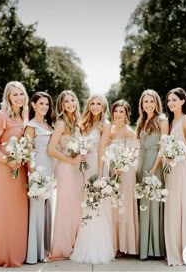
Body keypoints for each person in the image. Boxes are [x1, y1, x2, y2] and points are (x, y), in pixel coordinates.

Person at [0, 81, 29, 267]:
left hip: (22, 170)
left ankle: (20, 252)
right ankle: (4, 255)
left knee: (19, 212)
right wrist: (7, 161)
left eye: (21, 94)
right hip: (5, 170)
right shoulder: (2, 115)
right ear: (8, 97)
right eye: (14, 94)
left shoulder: (25, 115)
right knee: (7, 211)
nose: (19, 97)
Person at [70, 94, 115, 264]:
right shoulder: (84, 124)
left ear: (103, 107)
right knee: (83, 203)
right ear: (88, 105)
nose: (95, 106)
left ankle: (96, 247)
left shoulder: (106, 124)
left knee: (95, 205)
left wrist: (101, 175)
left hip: (96, 166)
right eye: (93, 103)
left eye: (99, 104)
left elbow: (102, 150)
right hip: (81, 166)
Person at [47, 90, 84, 260]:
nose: (70, 104)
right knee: (65, 206)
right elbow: (51, 149)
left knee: (77, 207)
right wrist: (70, 160)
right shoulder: (61, 123)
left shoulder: (77, 122)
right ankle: (62, 248)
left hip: (76, 169)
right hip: (66, 168)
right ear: (61, 105)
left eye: (72, 100)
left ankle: (75, 243)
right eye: (66, 101)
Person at [164, 87, 186, 266]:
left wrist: (178, 153)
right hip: (170, 168)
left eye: (174, 100)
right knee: (173, 207)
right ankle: (173, 249)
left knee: (184, 205)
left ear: (183, 102)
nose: (170, 103)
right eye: (169, 100)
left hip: (183, 167)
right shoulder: (170, 121)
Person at [136, 89, 168, 260]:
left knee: (153, 203)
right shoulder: (142, 120)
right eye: (145, 102)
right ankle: (143, 247)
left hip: (154, 163)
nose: (148, 105)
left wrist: (154, 168)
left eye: (151, 101)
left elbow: (163, 145)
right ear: (142, 104)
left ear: (157, 103)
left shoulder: (162, 120)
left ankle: (155, 248)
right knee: (142, 203)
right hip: (141, 163)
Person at [24, 92, 55, 263]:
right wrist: (33, 173)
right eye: (41, 103)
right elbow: (28, 152)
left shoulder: (47, 124)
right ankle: (34, 254)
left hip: (49, 170)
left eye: (47, 104)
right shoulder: (31, 125)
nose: (44, 107)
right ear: (33, 105)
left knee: (46, 208)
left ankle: (45, 248)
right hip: (38, 171)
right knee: (37, 211)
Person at [109, 100, 139, 257]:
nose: (118, 114)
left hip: (125, 174)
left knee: (124, 207)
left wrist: (122, 166)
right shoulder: (110, 130)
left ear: (126, 114)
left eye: (121, 111)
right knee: (113, 208)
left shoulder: (129, 132)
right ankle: (114, 244)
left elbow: (134, 154)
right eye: (116, 111)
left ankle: (125, 245)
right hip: (111, 172)